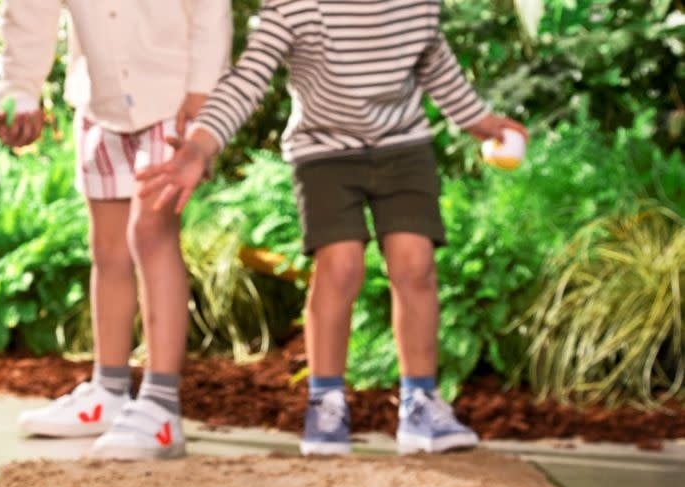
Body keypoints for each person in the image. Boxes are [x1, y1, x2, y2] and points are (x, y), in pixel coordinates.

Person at [137, 0, 527, 455]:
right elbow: (248, 80)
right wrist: (201, 145)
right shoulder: (295, 7)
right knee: (341, 266)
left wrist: (477, 119)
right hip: (324, 152)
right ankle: (326, 401)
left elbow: (433, 59)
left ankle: (421, 404)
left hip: (404, 147)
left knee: (415, 263)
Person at [0, 0, 232, 458]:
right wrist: (20, 90)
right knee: (107, 250)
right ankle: (109, 390)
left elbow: (209, 8)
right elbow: (29, 9)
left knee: (151, 235)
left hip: (174, 103)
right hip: (100, 102)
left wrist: (205, 89)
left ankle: (161, 407)